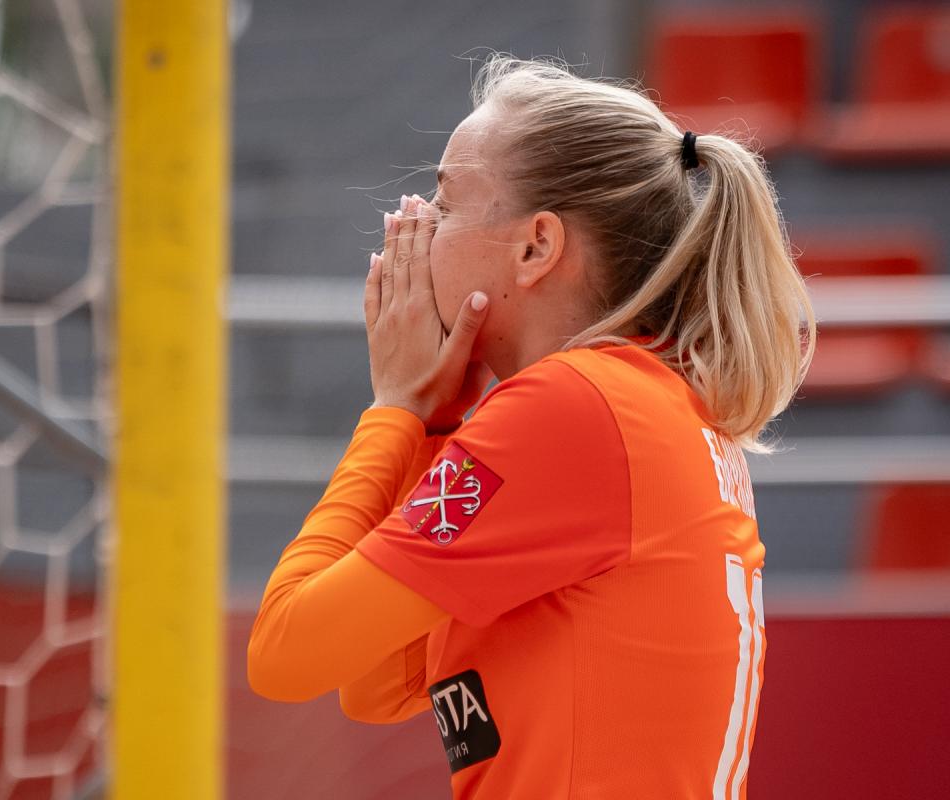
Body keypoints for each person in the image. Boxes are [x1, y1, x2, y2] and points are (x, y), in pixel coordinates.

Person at [247, 55, 814, 799]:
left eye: (445, 202)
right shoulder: (631, 399)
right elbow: (375, 681)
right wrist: (433, 426)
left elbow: (285, 651)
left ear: (536, 247)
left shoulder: (574, 408)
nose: (416, 224)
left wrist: (394, 409)